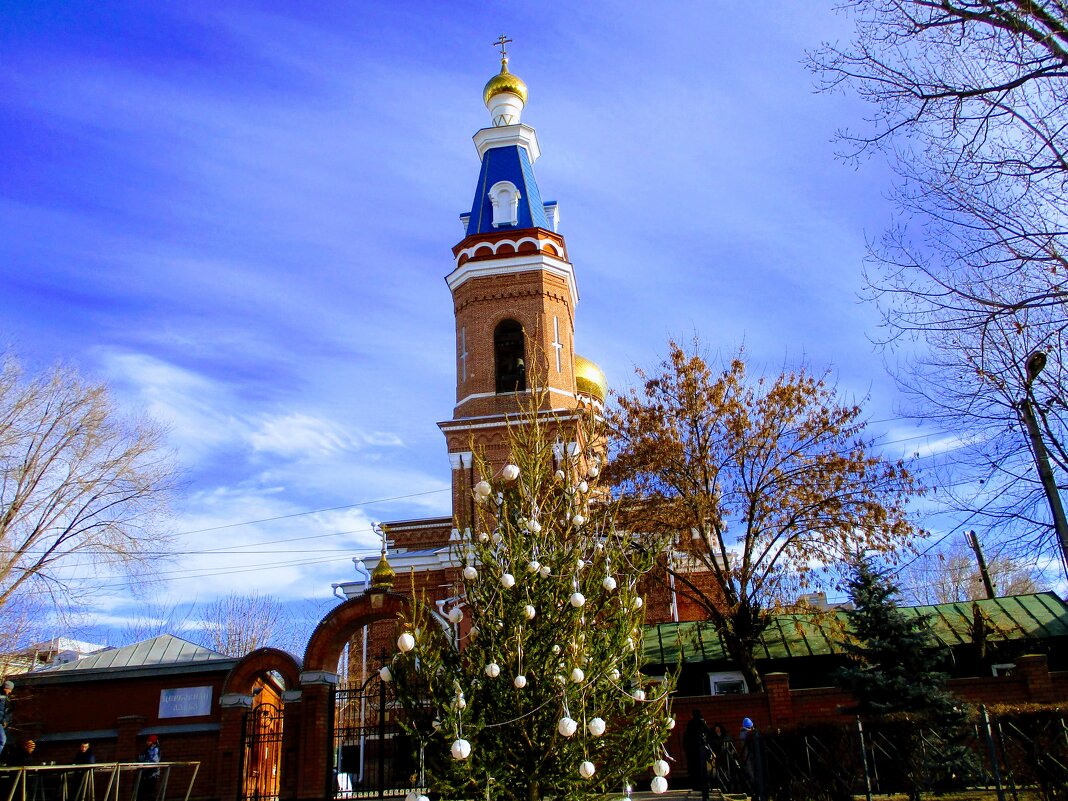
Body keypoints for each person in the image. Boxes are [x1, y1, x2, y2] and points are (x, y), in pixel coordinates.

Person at [682, 709, 710, 801]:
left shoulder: (691, 724)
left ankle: (696, 786)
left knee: (694, 769)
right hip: (701, 749)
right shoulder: (703, 723)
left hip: (692, 751)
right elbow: (708, 735)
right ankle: (705, 791)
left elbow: (686, 738)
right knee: (703, 770)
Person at [739, 717, 764, 801]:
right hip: (751, 757)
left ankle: (755, 793)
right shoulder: (748, 734)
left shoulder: (742, 733)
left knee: (751, 775)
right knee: (754, 776)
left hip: (747, 758)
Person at [138, 735, 160, 801]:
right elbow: (141, 758)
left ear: (152, 742)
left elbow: (154, 761)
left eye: (149, 741)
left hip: (152, 774)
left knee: (150, 793)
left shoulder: (155, 750)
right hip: (145, 774)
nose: (147, 742)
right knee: (141, 793)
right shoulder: (147, 749)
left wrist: (144, 766)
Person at [0, 681, 13, 761]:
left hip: (1, 722)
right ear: (5, 688)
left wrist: (5, 720)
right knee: (2, 740)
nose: (10, 691)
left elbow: (7, 711)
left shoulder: (6, 697)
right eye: (9, 689)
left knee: (2, 740)